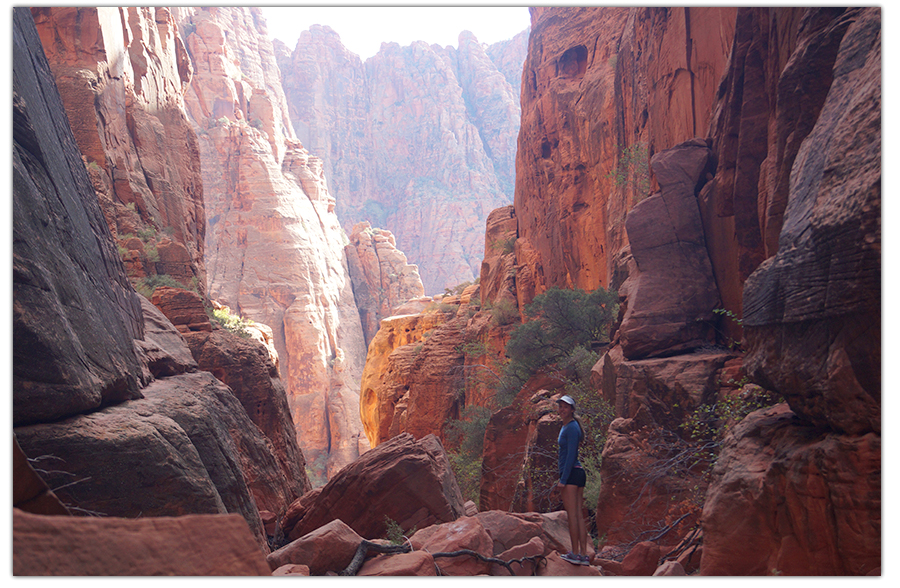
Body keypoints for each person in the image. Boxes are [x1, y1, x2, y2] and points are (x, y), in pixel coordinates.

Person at [556, 394, 589, 565]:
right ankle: (583, 555)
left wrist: (563, 478)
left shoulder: (571, 428)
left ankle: (575, 553)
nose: (562, 409)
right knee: (578, 515)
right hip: (577, 474)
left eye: (565, 407)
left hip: (572, 475)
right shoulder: (569, 426)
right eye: (560, 406)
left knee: (572, 516)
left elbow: (571, 456)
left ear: (572, 410)